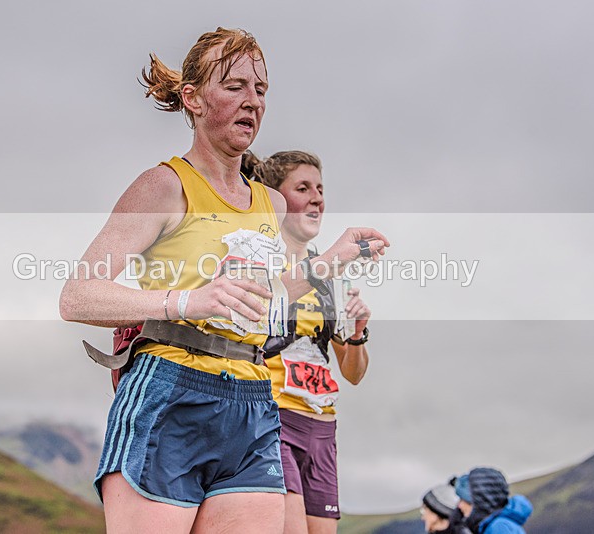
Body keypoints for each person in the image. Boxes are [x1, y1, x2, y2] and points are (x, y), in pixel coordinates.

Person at [59, 28, 389, 533]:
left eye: (260, 90)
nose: (252, 101)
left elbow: (268, 300)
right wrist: (187, 301)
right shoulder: (164, 185)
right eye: (234, 86)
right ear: (192, 98)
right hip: (170, 390)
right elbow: (78, 296)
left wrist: (334, 259)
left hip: (254, 401)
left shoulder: (271, 203)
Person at [242, 150, 372, 534]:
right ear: (276, 198)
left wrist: (359, 333)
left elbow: (353, 373)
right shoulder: (258, 263)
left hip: (322, 429)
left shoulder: (332, 278)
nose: (317, 198)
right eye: (303, 188)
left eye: (320, 189)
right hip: (273, 419)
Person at [454, 468, 533, 534]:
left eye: (464, 500)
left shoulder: (499, 528)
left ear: (481, 501)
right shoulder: (496, 525)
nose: (459, 505)